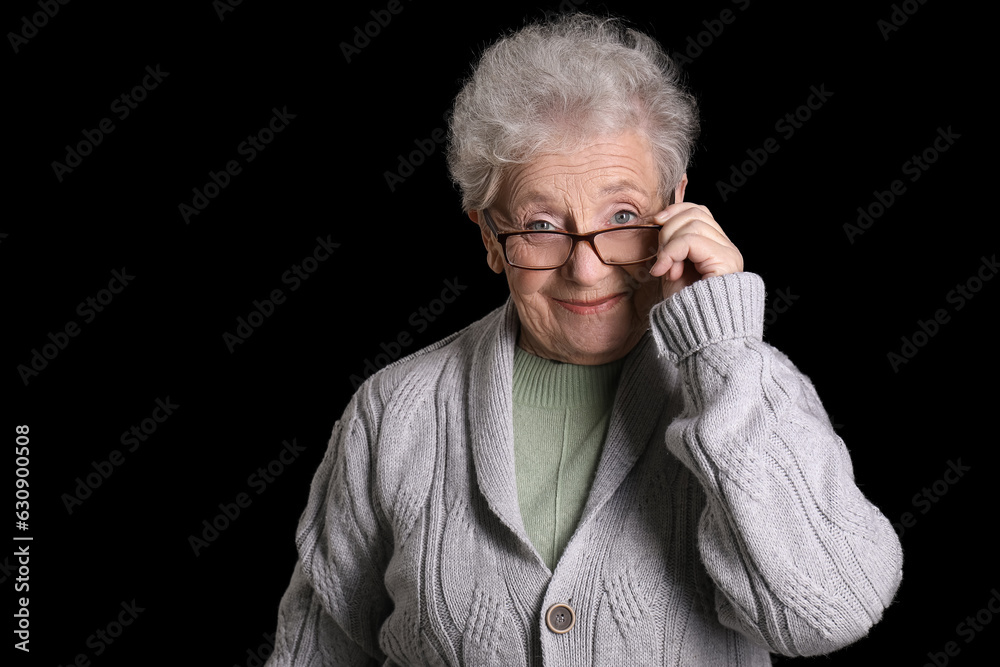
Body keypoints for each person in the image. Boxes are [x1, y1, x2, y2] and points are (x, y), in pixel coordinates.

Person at [265, 13, 902, 665]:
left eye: (623, 216)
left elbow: (831, 610)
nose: (587, 267)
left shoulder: (745, 384)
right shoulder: (391, 412)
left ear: (677, 203)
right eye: (541, 224)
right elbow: (320, 651)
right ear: (489, 236)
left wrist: (723, 346)